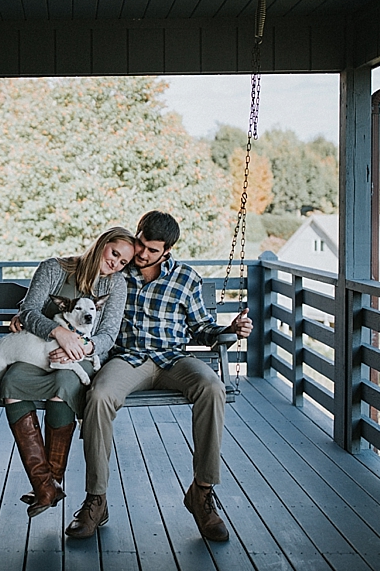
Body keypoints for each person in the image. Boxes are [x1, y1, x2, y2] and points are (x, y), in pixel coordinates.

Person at [56, 211, 252, 542]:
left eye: (152, 250)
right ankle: (96, 498)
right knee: (100, 396)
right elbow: (79, 300)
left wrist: (230, 329)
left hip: (174, 359)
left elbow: (201, 329)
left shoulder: (186, 278)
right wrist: (32, 318)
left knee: (213, 387)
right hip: (128, 359)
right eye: (141, 244)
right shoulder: (116, 276)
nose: (143, 254)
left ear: (168, 250)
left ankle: (202, 493)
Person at [0, 227, 137, 518]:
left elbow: (108, 334)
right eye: (114, 254)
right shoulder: (54, 268)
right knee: (12, 383)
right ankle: (45, 486)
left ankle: (51, 482)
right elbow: (29, 311)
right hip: (37, 351)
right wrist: (59, 333)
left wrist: (80, 345)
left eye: (123, 263)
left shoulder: (116, 285)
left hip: (78, 358)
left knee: (64, 383)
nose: (115, 264)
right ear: (102, 244)